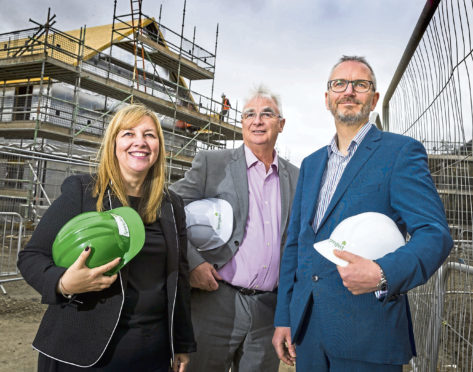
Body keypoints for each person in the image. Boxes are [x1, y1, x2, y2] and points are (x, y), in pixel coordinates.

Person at [272, 56, 453, 371]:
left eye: (361, 84)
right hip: (309, 333)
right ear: (327, 98)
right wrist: (285, 317)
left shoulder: (400, 153)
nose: (349, 91)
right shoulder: (312, 164)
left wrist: (383, 273)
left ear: (374, 98)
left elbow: (434, 234)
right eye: (339, 84)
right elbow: (296, 245)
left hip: (368, 334)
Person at [18, 104, 196, 372]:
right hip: (81, 353)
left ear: (159, 146)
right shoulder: (83, 191)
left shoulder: (172, 205)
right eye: (128, 134)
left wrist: (181, 342)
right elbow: (31, 256)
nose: (140, 142)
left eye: (149, 134)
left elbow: (179, 277)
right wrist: (64, 283)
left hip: (150, 353)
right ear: (114, 143)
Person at [170, 86, 299, 372]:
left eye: (267, 114)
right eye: (249, 114)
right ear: (241, 123)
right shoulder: (212, 164)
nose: (257, 120)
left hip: (267, 311)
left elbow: (296, 245)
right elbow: (168, 207)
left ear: (281, 124)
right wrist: (193, 262)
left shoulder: (297, 177)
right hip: (216, 300)